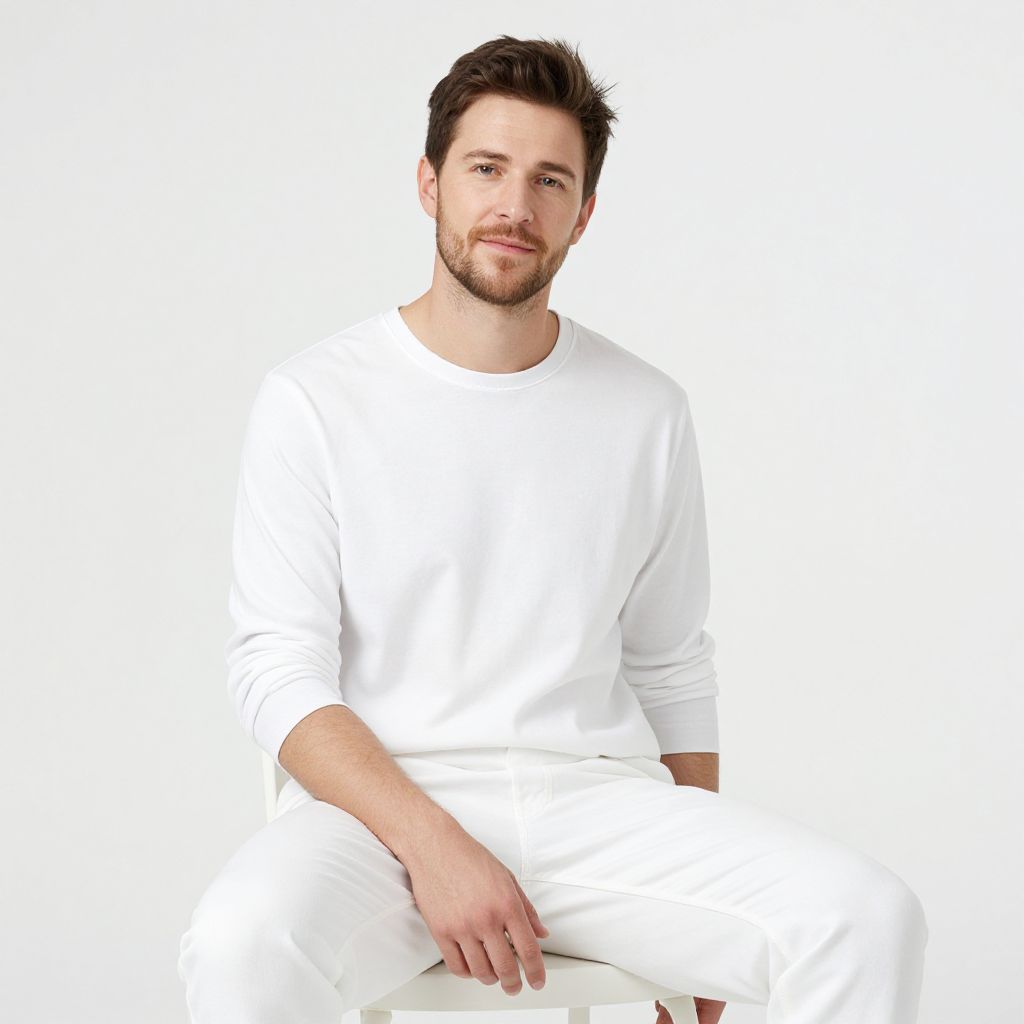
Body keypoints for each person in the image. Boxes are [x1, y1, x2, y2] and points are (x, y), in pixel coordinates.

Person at [177, 34, 929, 1024]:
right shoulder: (314, 399)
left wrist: (700, 943)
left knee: (867, 920)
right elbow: (277, 668)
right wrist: (432, 843)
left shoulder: (645, 409)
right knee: (241, 943)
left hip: (599, 807)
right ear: (429, 182)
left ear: (584, 212)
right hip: (380, 819)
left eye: (549, 180)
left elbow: (670, 666)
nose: (515, 206)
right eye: (486, 168)